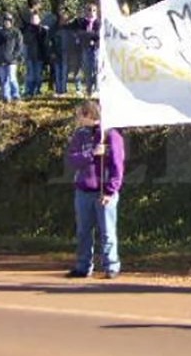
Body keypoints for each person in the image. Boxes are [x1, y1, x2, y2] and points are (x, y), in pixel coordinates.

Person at [65, 100, 125, 279]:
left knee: (107, 231)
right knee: (83, 232)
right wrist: (92, 153)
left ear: (90, 114)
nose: (79, 119)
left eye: (82, 115)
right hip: (84, 190)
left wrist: (110, 191)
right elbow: (72, 159)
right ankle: (83, 266)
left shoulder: (111, 135)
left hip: (104, 192)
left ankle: (111, 266)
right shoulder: (80, 135)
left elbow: (117, 166)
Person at [21, 0, 51, 98]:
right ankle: (29, 90)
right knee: (31, 73)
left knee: (38, 74)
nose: (35, 20)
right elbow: (26, 39)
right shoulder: (28, 28)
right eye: (34, 18)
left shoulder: (43, 31)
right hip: (30, 53)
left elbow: (45, 43)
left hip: (39, 54)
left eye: (37, 18)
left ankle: (36, 90)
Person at [73, 3, 101, 97]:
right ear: (86, 11)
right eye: (89, 10)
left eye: (94, 10)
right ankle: (89, 89)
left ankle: (96, 89)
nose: (91, 12)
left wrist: (88, 34)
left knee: (97, 69)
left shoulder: (98, 22)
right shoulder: (82, 22)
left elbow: (98, 34)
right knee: (88, 70)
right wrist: (91, 35)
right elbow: (80, 33)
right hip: (85, 48)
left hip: (96, 49)